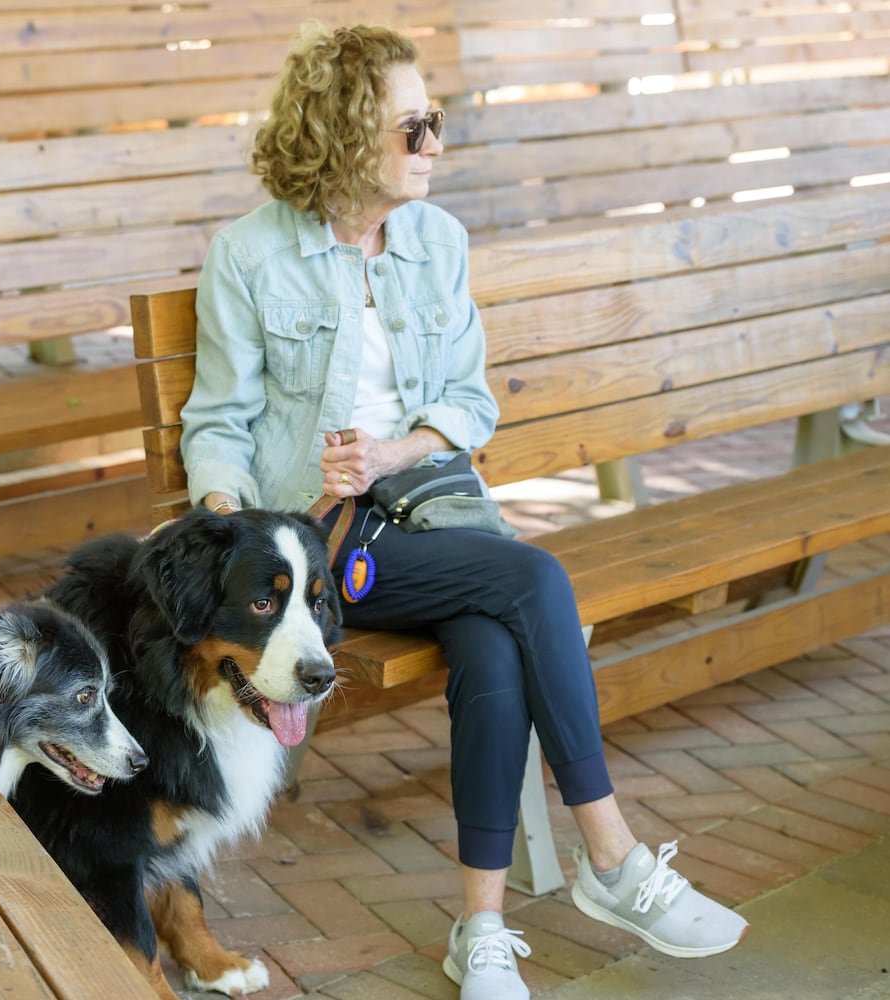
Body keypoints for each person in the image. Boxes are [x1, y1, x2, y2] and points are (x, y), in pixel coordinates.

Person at [179, 21, 748, 1000]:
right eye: (415, 126)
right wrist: (234, 529)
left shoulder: (438, 238)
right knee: (533, 580)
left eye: (433, 123)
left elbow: (470, 403)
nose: (433, 145)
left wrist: (398, 448)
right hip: (319, 543)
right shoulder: (249, 255)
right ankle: (609, 856)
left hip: (434, 517)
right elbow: (217, 420)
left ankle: (480, 928)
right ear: (348, 134)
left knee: (493, 638)